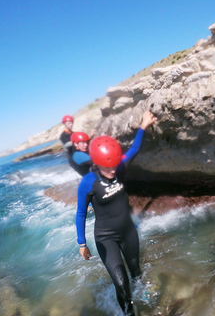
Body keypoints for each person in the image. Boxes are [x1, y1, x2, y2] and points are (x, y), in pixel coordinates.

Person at [76, 111, 157, 316]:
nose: (113, 170)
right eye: (107, 167)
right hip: (106, 238)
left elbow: (134, 149)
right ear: (96, 163)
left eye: (114, 165)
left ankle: (144, 300)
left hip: (128, 232)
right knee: (121, 283)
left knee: (136, 273)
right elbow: (80, 214)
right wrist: (82, 243)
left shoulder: (118, 167)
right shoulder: (88, 182)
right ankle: (129, 313)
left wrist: (143, 125)